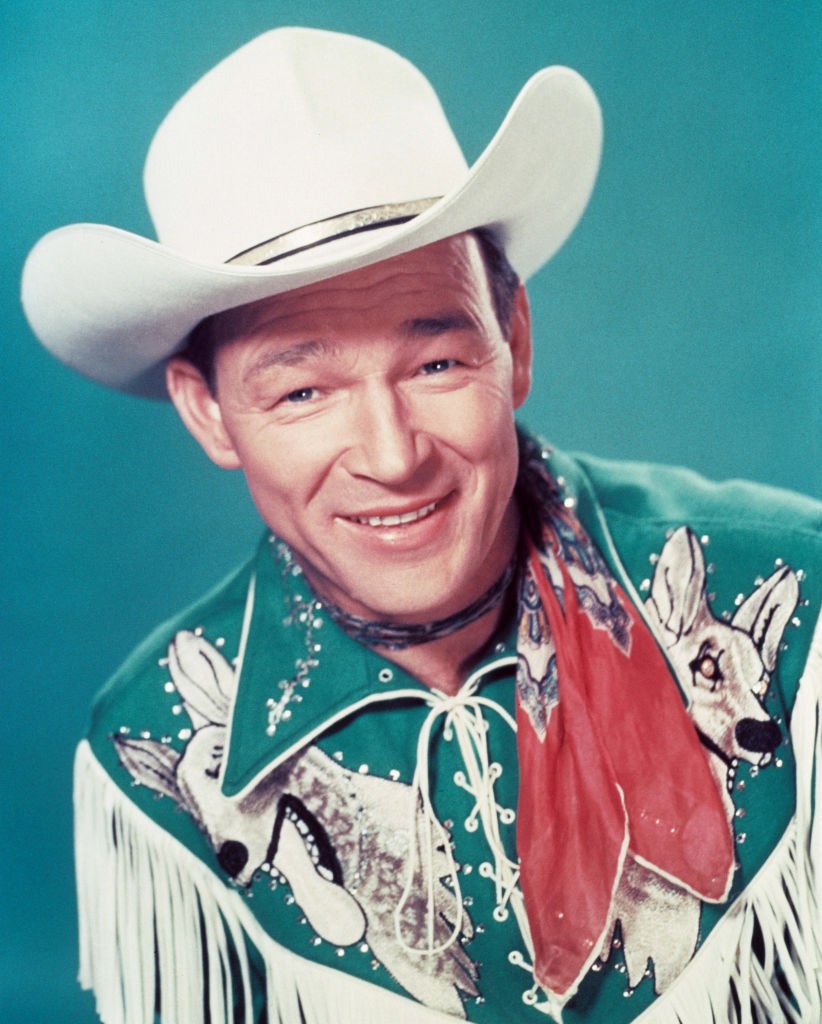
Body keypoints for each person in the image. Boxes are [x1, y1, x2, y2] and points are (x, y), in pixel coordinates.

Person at [22, 27, 821, 1024]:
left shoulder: (798, 611)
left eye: (436, 363)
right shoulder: (164, 750)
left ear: (513, 340)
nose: (392, 454)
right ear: (207, 412)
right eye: (304, 390)